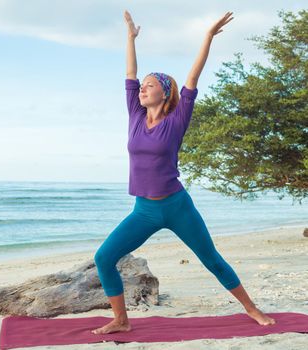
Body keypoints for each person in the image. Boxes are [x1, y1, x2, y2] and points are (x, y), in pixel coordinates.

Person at [91, 10, 276, 335]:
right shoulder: (135, 115)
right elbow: (130, 73)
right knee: (104, 257)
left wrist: (207, 37)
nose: (141, 90)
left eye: (149, 86)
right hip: (144, 210)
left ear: (164, 92)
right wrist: (131, 38)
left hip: (177, 207)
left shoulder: (177, 119)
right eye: (141, 87)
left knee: (211, 259)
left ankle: (252, 309)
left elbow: (192, 78)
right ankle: (121, 320)